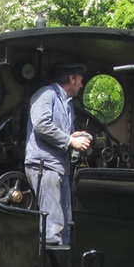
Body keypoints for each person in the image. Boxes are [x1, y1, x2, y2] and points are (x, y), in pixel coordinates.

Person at [25, 63, 92, 246]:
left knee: (65, 221)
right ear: (71, 79)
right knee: (52, 226)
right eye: (80, 80)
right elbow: (41, 125)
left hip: (59, 166)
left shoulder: (67, 104)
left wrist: (73, 137)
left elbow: (59, 133)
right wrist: (70, 141)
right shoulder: (46, 95)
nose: (81, 84)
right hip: (44, 165)